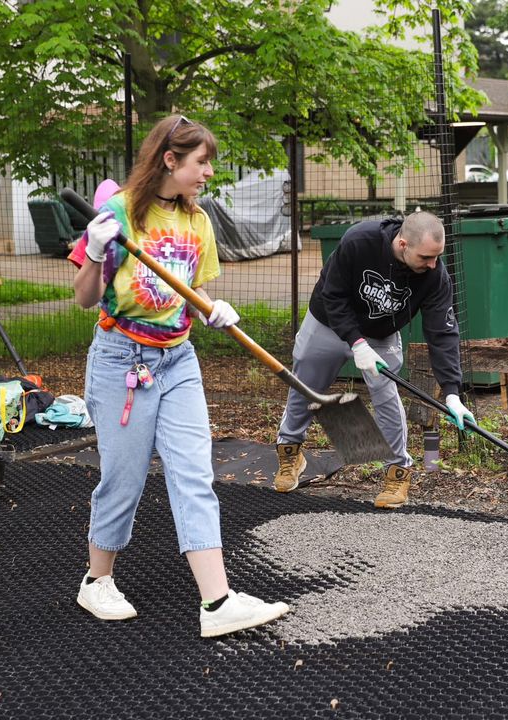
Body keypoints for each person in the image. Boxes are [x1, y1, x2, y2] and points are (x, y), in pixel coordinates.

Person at [68, 114, 289, 636]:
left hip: (179, 361)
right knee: (122, 480)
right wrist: (96, 252)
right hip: (122, 362)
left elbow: (192, 294)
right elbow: (83, 298)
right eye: (201, 162)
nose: (209, 172)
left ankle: (217, 603)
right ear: (170, 160)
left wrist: (214, 310)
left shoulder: (198, 222)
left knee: (194, 474)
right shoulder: (119, 212)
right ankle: (96, 582)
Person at [273, 212, 475, 508]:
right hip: (328, 322)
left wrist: (453, 393)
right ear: (403, 244)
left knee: (385, 394)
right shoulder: (359, 241)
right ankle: (290, 451)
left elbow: (442, 334)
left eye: (437, 257)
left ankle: (397, 472)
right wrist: (356, 342)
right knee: (305, 381)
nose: (433, 264)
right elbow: (333, 295)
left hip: (380, 335)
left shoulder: (435, 276)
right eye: (426, 257)